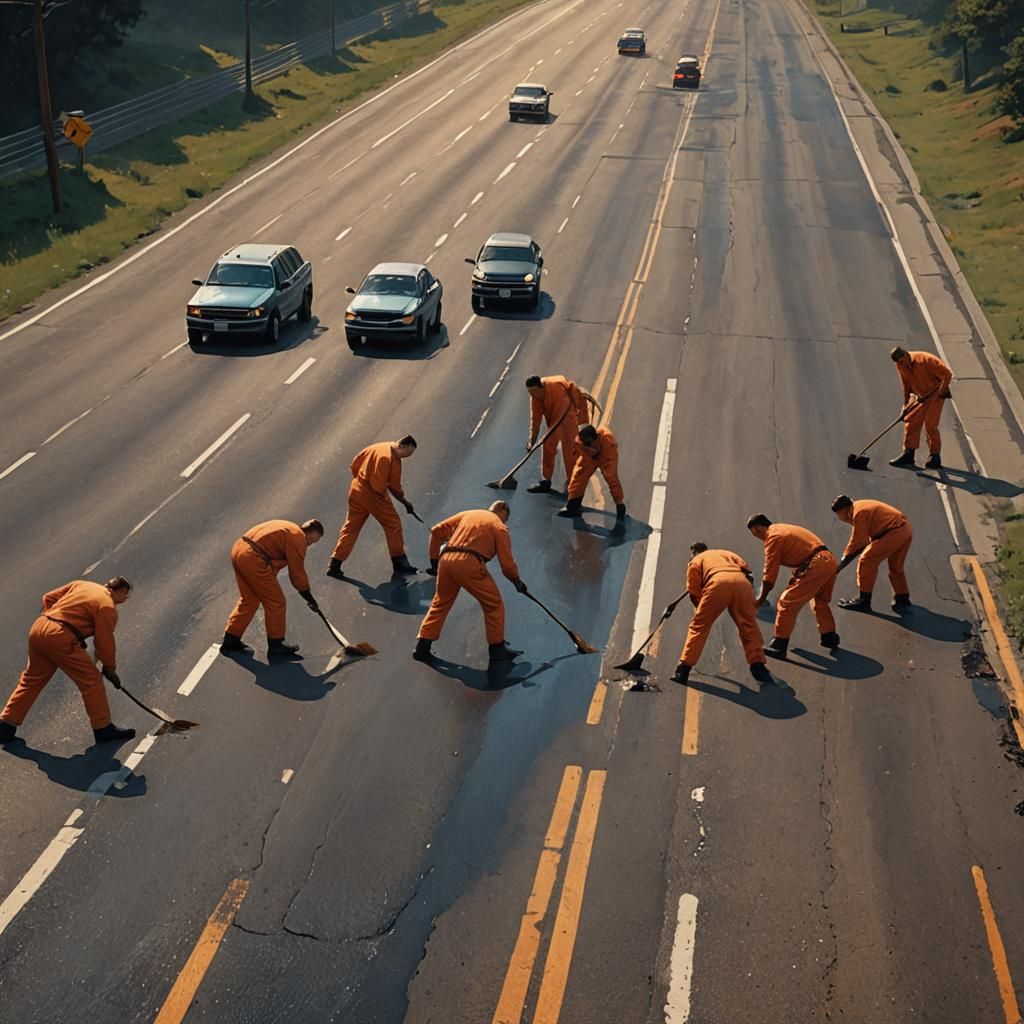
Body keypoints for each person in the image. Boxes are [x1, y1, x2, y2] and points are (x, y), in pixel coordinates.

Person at [0, 576, 136, 746]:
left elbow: (48, 598)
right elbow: (104, 640)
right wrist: (109, 668)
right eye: (125, 596)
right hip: (60, 638)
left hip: (40, 628)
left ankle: (6, 725)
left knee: (31, 680)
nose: (124, 600)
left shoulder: (82, 584)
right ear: (121, 591)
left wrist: (58, 622)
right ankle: (103, 728)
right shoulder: (107, 606)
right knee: (92, 681)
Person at [414, 501, 527, 664]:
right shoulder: (498, 526)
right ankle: (497, 649)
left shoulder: (468, 514)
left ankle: (422, 646)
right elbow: (507, 564)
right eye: (506, 518)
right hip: (470, 562)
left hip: (446, 560)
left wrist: (434, 562)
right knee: (493, 604)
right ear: (504, 512)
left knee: (441, 603)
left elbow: (436, 531)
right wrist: (516, 581)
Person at [672, 543, 773, 686]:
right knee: (748, 625)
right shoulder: (726, 553)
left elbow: (694, 590)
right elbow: (747, 572)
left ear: (693, 554)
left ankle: (683, 669)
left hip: (718, 583)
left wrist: (703, 608)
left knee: (699, 627)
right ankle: (758, 667)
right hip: (741, 583)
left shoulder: (695, 562)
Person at [222, 519, 323, 660]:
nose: (309, 545)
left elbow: (272, 559)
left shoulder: (288, 527)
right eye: (311, 541)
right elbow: (297, 572)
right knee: (276, 602)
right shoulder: (298, 538)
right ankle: (276, 645)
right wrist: (308, 596)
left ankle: (230, 639)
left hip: (239, 550)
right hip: (253, 559)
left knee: (250, 599)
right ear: (308, 535)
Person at [747, 514, 839, 657]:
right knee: (819, 601)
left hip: (816, 563)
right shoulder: (783, 529)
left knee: (786, 602)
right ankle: (829, 636)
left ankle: (779, 644)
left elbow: (769, 572)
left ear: (758, 527)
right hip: (829, 560)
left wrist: (761, 598)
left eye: (755, 533)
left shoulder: (772, 537)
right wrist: (793, 581)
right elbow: (802, 556)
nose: (758, 537)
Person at [327, 437, 418, 578]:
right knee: (393, 524)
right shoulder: (388, 459)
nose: (405, 458)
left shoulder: (378, 447)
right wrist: (403, 502)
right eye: (406, 454)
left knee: (351, 527)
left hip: (356, 489)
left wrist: (360, 482)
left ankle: (335, 563)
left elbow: (355, 464)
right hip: (373, 495)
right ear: (401, 446)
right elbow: (387, 486)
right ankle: (399, 562)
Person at [831, 495, 913, 612]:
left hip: (893, 532)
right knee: (896, 566)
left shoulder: (858, 513)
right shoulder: (859, 506)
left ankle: (864, 600)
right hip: (905, 530)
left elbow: (857, 542)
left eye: (840, 514)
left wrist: (838, 568)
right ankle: (902, 596)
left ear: (846, 510)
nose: (841, 518)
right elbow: (863, 542)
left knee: (866, 560)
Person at [888, 346, 953, 469]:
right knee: (911, 420)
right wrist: (906, 406)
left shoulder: (926, 359)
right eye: (899, 363)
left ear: (906, 355)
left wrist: (942, 391)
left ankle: (935, 456)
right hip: (920, 395)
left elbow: (947, 374)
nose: (902, 365)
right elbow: (906, 386)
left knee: (930, 425)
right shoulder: (900, 365)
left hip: (935, 393)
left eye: (902, 361)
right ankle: (908, 454)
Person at [525, 375, 590, 493]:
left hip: (568, 420)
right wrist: (532, 441)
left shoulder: (555, 386)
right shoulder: (535, 398)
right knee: (547, 446)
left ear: (541, 387)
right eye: (529, 392)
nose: (532, 394)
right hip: (554, 423)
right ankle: (546, 480)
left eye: (534, 391)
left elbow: (572, 393)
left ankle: (572, 484)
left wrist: (582, 419)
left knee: (569, 452)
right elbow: (535, 419)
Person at [557, 424, 626, 521]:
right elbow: (577, 448)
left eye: (588, 444)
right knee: (579, 475)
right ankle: (573, 504)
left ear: (594, 440)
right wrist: (586, 452)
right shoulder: (581, 441)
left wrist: (593, 453)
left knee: (611, 478)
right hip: (589, 457)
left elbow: (611, 476)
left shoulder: (608, 444)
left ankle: (620, 506)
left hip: (605, 457)